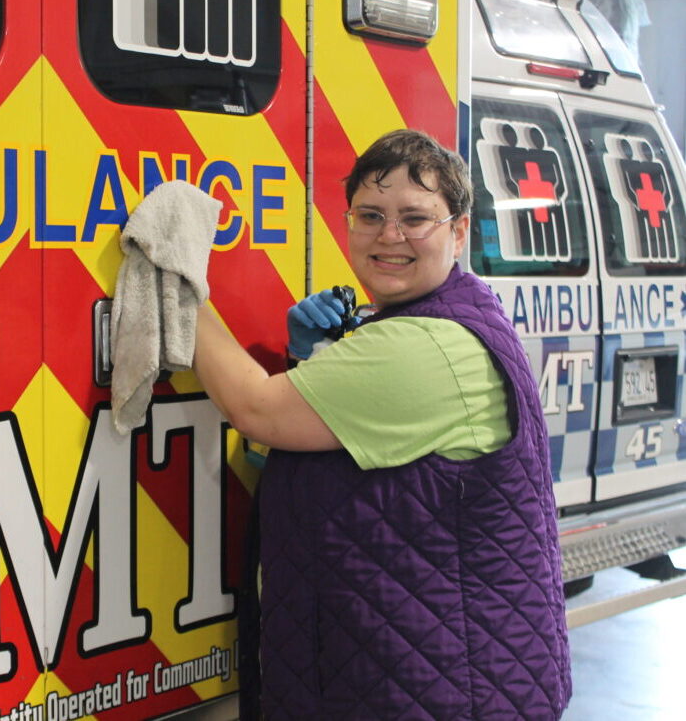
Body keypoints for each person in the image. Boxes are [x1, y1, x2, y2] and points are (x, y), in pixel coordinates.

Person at [192, 129, 571, 720]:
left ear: (460, 231)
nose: (390, 236)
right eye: (370, 215)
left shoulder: (427, 345)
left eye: (415, 218)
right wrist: (314, 363)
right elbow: (348, 461)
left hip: (433, 688)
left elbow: (256, 411)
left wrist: (176, 284)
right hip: (409, 674)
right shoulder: (437, 318)